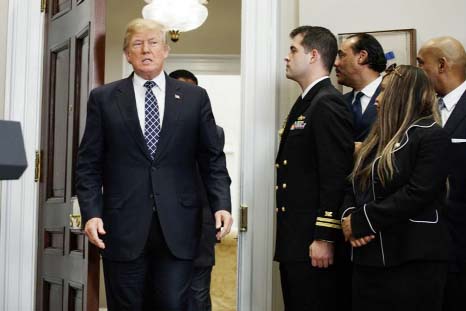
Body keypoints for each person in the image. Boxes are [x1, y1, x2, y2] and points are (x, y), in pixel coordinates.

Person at [75, 18, 233, 311]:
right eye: (137, 44)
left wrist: (222, 203)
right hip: (121, 228)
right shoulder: (104, 98)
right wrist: (91, 213)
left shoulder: (194, 98)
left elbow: (212, 159)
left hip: (179, 227)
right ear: (127, 54)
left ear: (165, 51)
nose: (146, 49)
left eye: (153, 43)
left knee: (173, 305)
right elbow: (88, 163)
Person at [341, 65, 450, 310]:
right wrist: (348, 218)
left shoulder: (431, 136)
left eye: (385, 92)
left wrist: (362, 221)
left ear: (404, 95)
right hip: (367, 260)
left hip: (413, 261)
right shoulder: (375, 140)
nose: (377, 100)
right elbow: (351, 187)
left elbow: (418, 192)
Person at [274, 25, 354, 310]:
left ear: (313, 55)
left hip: (313, 241)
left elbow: (335, 175)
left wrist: (324, 236)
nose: (287, 57)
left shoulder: (327, 103)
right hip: (297, 239)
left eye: (293, 49)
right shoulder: (307, 102)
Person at [417, 37, 466, 311]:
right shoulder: (423, 109)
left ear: (442, 65)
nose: (418, 71)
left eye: (421, 64)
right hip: (427, 250)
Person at [168, 69, 224, 311]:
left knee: (197, 297)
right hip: (162, 226)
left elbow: (215, 174)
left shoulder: (214, 132)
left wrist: (221, 211)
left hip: (199, 226)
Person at [334, 33, 387, 142]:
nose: (336, 63)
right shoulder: (339, 103)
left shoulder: (394, 97)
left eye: (342, 55)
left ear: (362, 56)